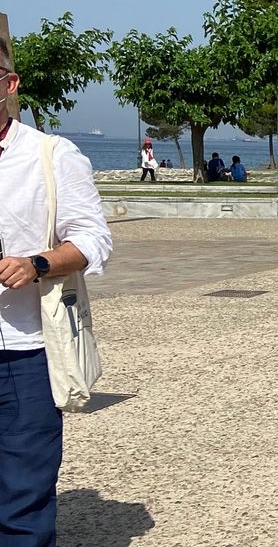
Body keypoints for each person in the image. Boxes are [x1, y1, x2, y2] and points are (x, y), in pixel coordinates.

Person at [0, 46, 113, 544]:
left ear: (10, 84)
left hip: (23, 350)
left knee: (22, 497)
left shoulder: (50, 155)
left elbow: (93, 239)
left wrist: (37, 264)